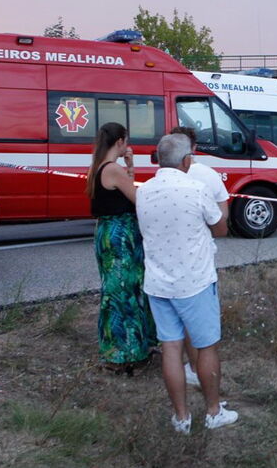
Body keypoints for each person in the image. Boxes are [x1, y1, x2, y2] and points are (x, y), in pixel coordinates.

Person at [137, 134, 237, 433]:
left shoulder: (143, 191)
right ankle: (213, 411)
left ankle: (181, 417)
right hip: (194, 281)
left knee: (171, 348)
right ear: (186, 160)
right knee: (206, 347)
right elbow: (220, 228)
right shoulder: (195, 189)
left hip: (158, 282)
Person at [86, 122, 157, 374]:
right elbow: (137, 199)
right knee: (126, 290)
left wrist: (130, 167)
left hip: (106, 233)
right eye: (125, 142)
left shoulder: (98, 166)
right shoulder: (113, 169)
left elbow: (120, 193)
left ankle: (118, 348)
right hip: (121, 236)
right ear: (119, 142)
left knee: (115, 287)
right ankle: (126, 350)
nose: (127, 146)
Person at [170, 126, 230, 389]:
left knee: (174, 326)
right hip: (200, 258)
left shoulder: (160, 178)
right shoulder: (209, 175)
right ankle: (197, 370)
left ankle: (188, 365)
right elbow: (223, 218)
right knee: (200, 323)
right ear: (194, 148)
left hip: (167, 259)